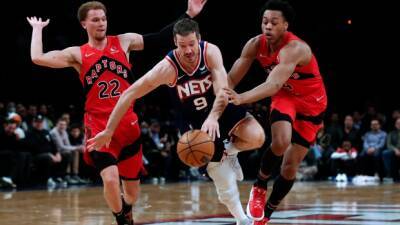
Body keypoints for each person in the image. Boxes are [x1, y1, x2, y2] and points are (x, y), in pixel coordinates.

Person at [27, 1, 207, 224]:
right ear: (84, 24)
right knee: (110, 179)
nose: (101, 23)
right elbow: (38, 57)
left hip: (127, 125)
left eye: (103, 18)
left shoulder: (124, 41)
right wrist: (37, 29)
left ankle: (126, 208)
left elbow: (159, 37)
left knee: (131, 194)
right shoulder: (78, 54)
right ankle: (121, 219)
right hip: (98, 126)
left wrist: (189, 14)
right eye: (95, 20)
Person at [88, 18, 265, 225]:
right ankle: (242, 220)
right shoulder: (167, 68)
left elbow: (222, 90)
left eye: (191, 44)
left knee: (257, 137)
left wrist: (214, 116)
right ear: (175, 43)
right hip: (195, 123)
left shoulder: (210, 52)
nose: (188, 50)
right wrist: (109, 130)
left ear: (198, 39)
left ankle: (231, 151)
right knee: (222, 177)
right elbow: (129, 93)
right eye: (182, 46)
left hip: (219, 108)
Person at [223, 0, 327, 224]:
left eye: (274, 22)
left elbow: (273, 85)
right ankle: (259, 185)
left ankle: (266, 216)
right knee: (280, 141)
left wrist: (240, 98)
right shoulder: (254, 44)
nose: (267, 26)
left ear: (285, 26)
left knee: (290, 167)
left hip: (311, 104)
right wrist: (220, 100)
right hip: (286, 97)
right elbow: (230, 79)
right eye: (264, 22)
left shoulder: (296, 48)